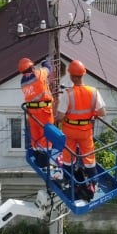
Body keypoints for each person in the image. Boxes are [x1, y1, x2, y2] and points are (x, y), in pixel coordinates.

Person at [55, 60, 106, 195]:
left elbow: (60, 116)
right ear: (84, 74)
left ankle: (68, 181)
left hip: (70, 131)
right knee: (89, 158)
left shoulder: (68, 94)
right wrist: (90, 115)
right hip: (86, 130)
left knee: (68, 156)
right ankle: (93, 184)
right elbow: (102, 113)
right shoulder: (94, 92)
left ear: (71, 76)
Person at [18, 57, 54, 151]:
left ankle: (37, 154)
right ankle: (45, 161)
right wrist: (45, 62)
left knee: (35, 135)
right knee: (47, 134)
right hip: (43, 111)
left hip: (32, 112)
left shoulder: (23, 82)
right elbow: (48, 69)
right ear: (32, 67)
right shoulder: (39, 74)